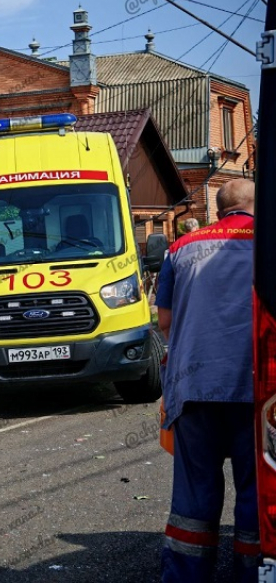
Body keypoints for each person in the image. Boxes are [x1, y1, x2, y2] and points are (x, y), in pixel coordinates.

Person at [155, 178, 258, 582]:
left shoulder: (180, 247)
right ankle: (254, 572)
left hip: (193, 389)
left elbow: (164, 320)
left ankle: (187, 575)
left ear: (218, 210)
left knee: (194, 494)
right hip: (256, 389)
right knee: (255, 488)